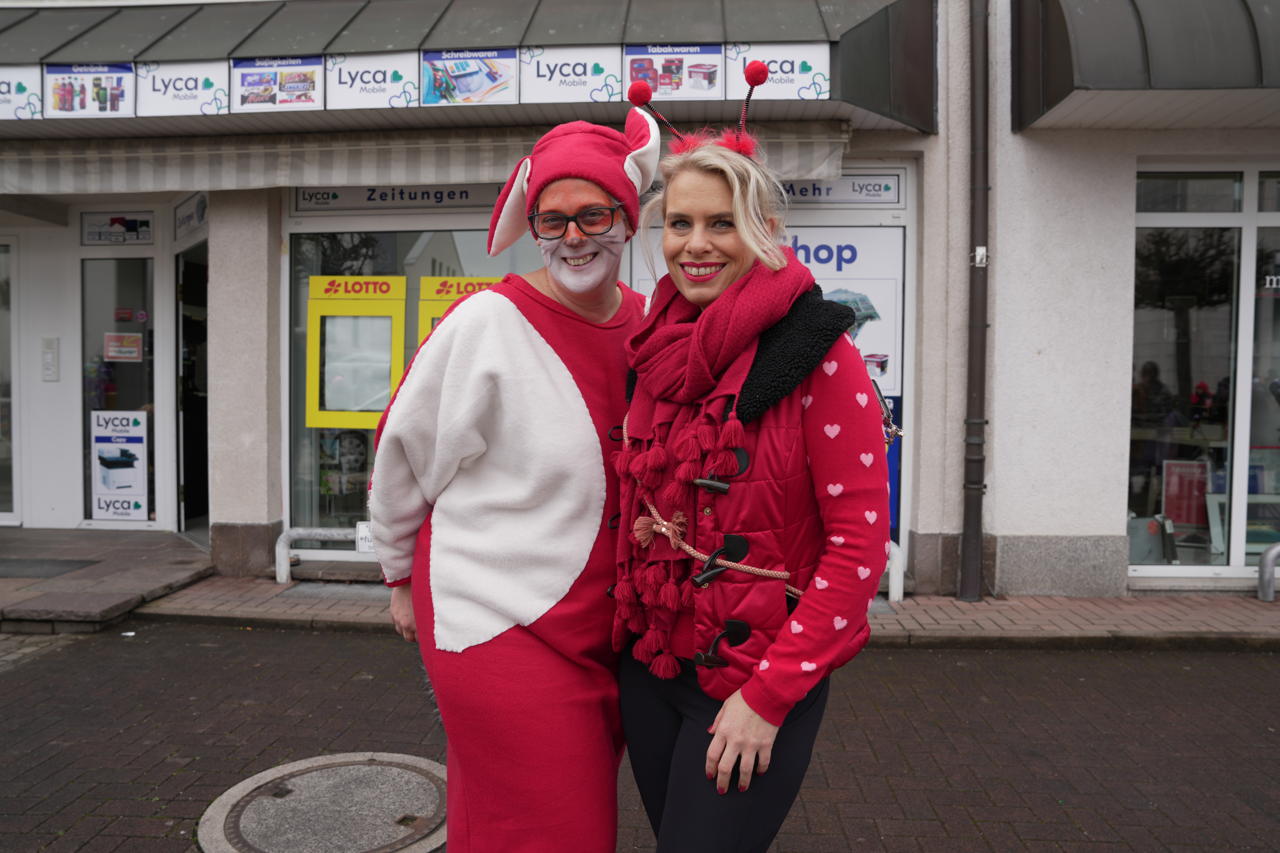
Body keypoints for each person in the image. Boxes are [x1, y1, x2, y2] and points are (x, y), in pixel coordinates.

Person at [368, 107, 658, 852]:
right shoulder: (487, 323)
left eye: (593, 215)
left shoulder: (654, 322)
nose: (572, 237)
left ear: (627, 220)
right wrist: (399, 573)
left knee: (499, 812)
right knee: (560, 825)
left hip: (606, 625)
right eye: (551, 219)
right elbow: (404, 449)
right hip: (493, 613)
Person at [611, 130, 891, 851]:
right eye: (680, 223)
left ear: (763, 229)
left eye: (721, 222)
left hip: (754, 681)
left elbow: (859, 550)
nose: (695, 244)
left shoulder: (817, 352)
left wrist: (768, 698)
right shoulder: (652, 348)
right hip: (651, 670)